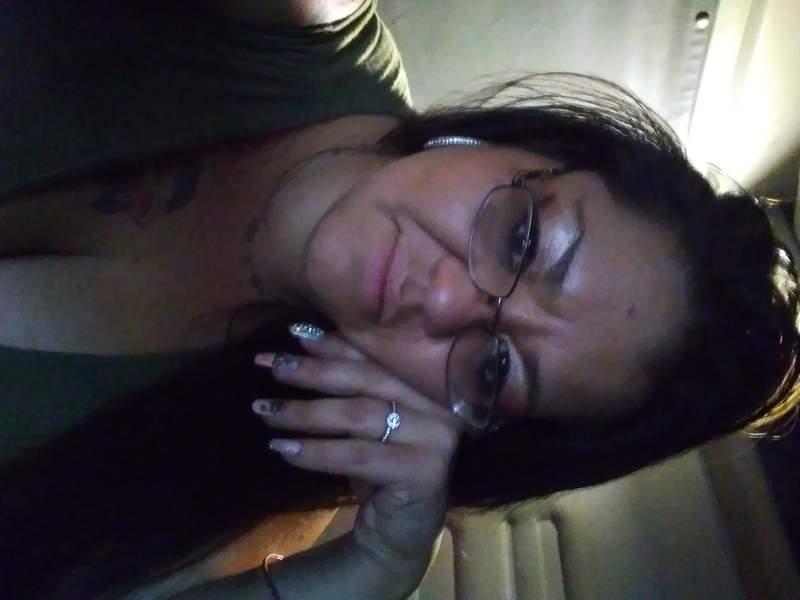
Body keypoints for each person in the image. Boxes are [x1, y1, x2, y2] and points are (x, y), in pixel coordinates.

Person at [1, 1, 798, 598]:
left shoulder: (251, 487)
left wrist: (371, 569)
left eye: (494, 367)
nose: (444, 298)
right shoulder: (299, 26)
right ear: (529, 144)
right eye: (520, 238)